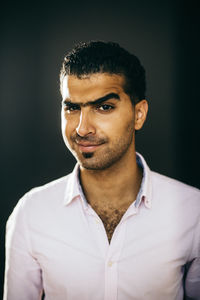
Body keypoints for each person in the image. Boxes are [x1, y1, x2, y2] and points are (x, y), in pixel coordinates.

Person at [3, 41, 200, 300]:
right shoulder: (31, 213)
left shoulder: (192, 210)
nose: (83, 128)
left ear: (138, 114)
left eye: (104, 107)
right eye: (72, 107)